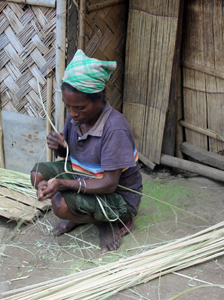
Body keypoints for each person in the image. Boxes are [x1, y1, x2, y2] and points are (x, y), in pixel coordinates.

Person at [31, 50, 142, 253]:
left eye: (80, 108)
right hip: (83, 175)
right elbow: (71, 157)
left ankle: (105, 222)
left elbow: (109, 184)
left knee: (61, 205)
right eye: (68, 106)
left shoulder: (114, 128)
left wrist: (63, 183)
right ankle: (78, 216)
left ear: (98, 99)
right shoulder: (75, 118)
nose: (73, 114)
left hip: (117, 197)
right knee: (37, 173)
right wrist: (61, 148)